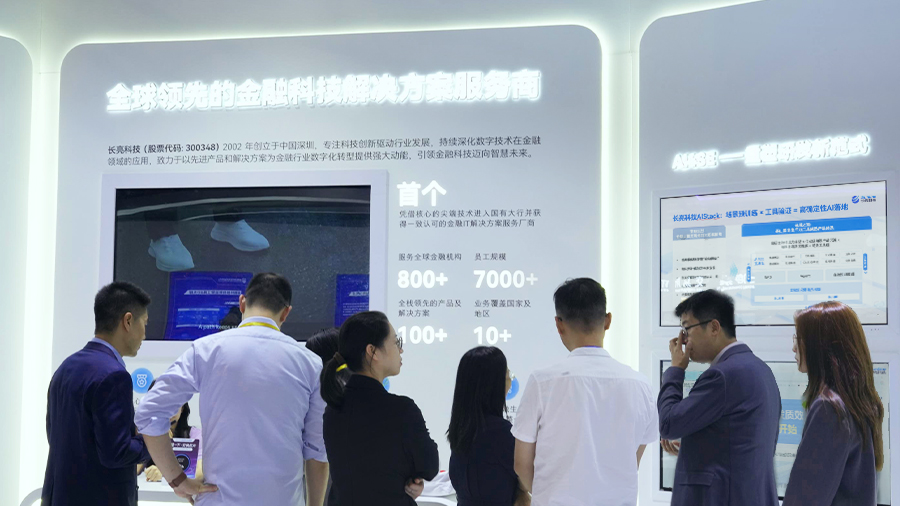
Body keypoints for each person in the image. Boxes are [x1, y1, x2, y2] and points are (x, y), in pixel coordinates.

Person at [135, 272, 327, 505]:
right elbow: (317, 450)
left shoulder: (206, 350)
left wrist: (177, 480)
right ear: (286, 313)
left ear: (242, 303)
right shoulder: (310, 364)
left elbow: (149, 413)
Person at [512, 278, 658, 506]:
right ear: (608, 320)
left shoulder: (542, 382)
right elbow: (633, 461)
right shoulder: (640, 385)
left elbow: (521, 464)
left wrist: (545, 495)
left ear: (559, 324)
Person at [658, 289, 781, 506]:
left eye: (686, 329)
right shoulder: (761, 370)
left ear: (714, 327)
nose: (683, 340)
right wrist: (694, 447)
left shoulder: (722, 376)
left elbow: (668, 423)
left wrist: (675, 370)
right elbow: (741, 445)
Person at [42, 282, 154, 506]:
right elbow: (117, 453)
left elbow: (54, 435)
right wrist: (150, 440)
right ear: (128, 321)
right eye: (144, 323)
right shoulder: (114, 375)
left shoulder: (66, 367)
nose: (145, 334)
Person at [320, 311, 439, 506]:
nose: (401, 350)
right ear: (372, 351)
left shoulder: (333, 410)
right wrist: (410, 479)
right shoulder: (401, 410)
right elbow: (429, 467)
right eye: (396, 342)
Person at [783, 301, 884, 506]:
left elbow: (805, 499)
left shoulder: (828, 409)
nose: (793, 347)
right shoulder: (859, 402)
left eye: (799, 338)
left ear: (820, 345)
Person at [448, 347, 529, 506]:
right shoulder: (500, 433)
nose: (510, 380)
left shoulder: (461, 429)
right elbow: (526, 477)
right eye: (508, 375)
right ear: (494, 384)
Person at [140, 380, 203, 483]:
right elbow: (132, 470)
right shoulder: (144, 434)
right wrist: (151, 439)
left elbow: (200, 472)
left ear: (182, 407)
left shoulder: (195, 435)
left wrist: (166, 473)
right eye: (161, 404)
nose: (168, 411)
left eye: (173, 404)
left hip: (183, 492)